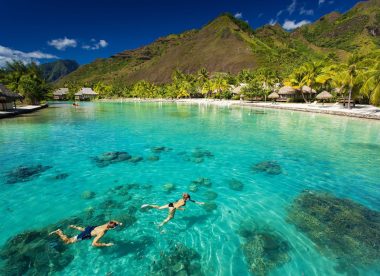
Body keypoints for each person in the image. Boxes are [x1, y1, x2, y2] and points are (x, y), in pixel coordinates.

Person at [49, 220, 122, 247]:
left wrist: (119, 223)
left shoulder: (108, 223)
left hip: (91, 228)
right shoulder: (102, 232)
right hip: (87, 234)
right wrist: (106, 244)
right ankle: (59, 232)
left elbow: (114, 221)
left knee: (84, 229)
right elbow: (93, 244)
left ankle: (74, 226)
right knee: (68, 241)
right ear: (112, 228)